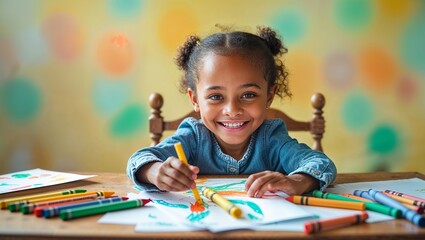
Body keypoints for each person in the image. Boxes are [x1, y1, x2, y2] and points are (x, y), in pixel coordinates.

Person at [127, 26, 337, 197]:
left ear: (269, 96)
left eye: (248, 95)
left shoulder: (273, 138)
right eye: (216, 97)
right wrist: (155, 172)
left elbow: (322, 164)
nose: (232, 110)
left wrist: (297, 181)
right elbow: (139, 159)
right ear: (195, 99)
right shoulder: (193, 137)